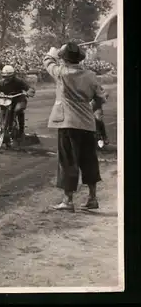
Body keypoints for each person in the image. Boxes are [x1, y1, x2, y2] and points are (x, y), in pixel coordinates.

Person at [44, 42, 108, 212]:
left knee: (68, 161)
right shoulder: (90, 75)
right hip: (87, 122)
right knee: (89, 160)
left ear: (64, 58)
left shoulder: (62, 73)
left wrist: (52, 52)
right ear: (79, 58)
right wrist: (92, 106)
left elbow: (48, 63)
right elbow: (101, 97)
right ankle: (92, 198)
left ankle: (67, 200)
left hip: (68, 123)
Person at [0, 65, 36, 142]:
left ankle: (21, 132)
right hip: (5, 99)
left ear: (13, 75)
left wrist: (29, 92)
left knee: (18, 110)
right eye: (4, 76)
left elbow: (29, 88)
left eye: (8, 76)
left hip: (18, 99)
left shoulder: (19, 81)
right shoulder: (0, 83)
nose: (6, 78)